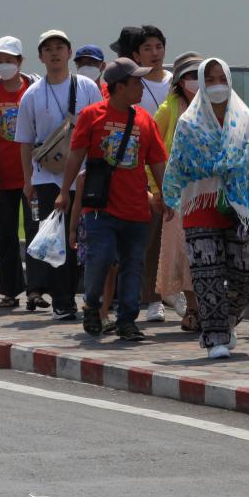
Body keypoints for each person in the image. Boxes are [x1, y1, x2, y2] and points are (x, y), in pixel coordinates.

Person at [162, 57, 249, 358]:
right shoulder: (188, 123)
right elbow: (181, 164)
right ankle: (214, 337)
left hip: (238, 209)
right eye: (208, 79)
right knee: (206, 274)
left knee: (243, 275)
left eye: (220, 78)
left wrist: (240, 179)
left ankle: (227, 321)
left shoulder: (248, 121)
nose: (215, 85)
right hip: (200, 205)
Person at [57, 58, 169, 342]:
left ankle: (127, 320)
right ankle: (92, 305)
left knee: (133, 265)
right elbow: (76, 155)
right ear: (119, 87)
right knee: (101, 258)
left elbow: (157, 162)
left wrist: (165, 194)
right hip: (100, 208)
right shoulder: (91, 115)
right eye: (135, 82)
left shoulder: (144, 119)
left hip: (136, 210)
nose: (141, 87)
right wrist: (64, 191)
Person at [16, 30, 104, 321]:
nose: (54, 53)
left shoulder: (87, 87)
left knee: (83, 238)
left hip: (82, 175)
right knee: (55, 241)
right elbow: (25, 140)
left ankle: (84, 295)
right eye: (48, 49)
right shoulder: (32, 94)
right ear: (40, 57)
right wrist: (28, 181)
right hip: (46, 179)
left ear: (69, 53)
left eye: (60, 47)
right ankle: (62, 301)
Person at [112, 25, 172, 321]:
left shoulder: (175, 83)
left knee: (171, 238)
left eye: (159, 47)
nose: (155, 53)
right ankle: (151, 299)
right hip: (138, 173)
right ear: (136, 54)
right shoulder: (133, 87)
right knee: (145, 241)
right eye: (147, 48)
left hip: (171, 170)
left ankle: (173, 294)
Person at [0, 36, 36, 308]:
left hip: (33, 175)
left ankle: (36, 289)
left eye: (9, 60)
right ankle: (10, 291)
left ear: (20, 61)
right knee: (6, 234)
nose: (4, 65)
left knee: (36, 232)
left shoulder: (34, 88)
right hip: (2, 176)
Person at [154, 52, 203, 330]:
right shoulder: (168, 109)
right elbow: (153, 151)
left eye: (201, 75)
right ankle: (193, 309)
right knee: (183, 253)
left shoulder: (219, 105)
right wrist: (156, 189)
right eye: (190, 75)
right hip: (178, 193)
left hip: (211, 191)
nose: (196, 81)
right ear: (179, 81)